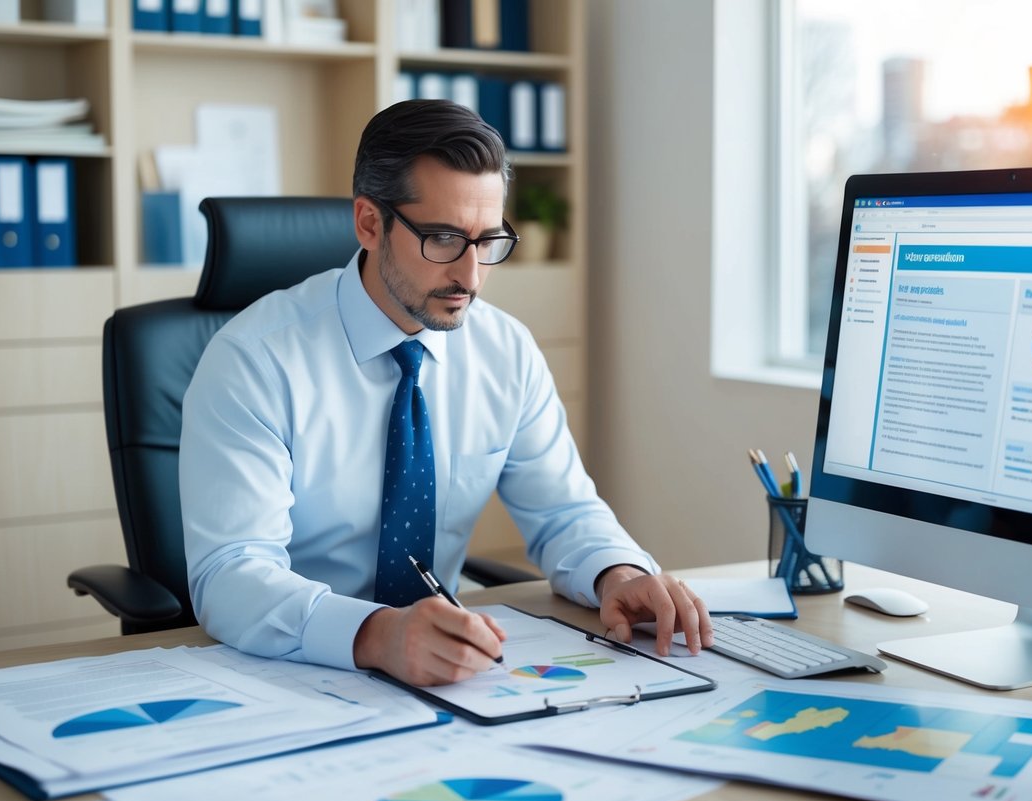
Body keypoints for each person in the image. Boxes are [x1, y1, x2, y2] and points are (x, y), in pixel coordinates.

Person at [180, 99, 714, 687]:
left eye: (488, 241)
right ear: (368, 223)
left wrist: (618, 573)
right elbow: (230, 574)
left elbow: (564, 511)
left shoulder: (505, 351)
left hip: (441, 673)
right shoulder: (255, 360)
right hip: (286, 672)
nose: (471, 275)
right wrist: (378, 634)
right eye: (443, 239)